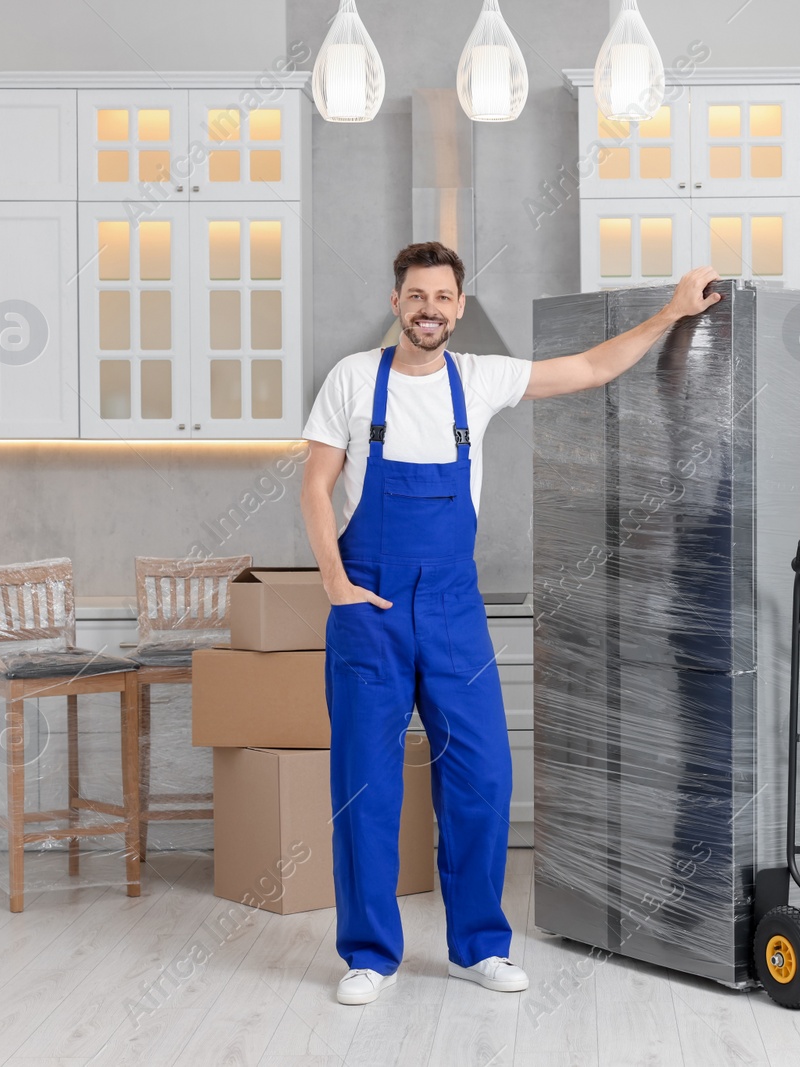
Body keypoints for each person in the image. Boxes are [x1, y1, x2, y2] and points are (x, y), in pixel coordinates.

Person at [300, 241, 722, 1005]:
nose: (430, 308)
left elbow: (591, 367)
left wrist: (672, 311)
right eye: (417, 295)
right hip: (372, 605)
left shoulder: (481, 379)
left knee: (483, 777)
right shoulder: (353, 379)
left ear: (459, 308)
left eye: (444, 297)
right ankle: (369, 953)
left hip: (456, 607)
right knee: (366, 785)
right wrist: (336, 585)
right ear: (397, 302)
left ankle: (477, 946)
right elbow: (315, 487)